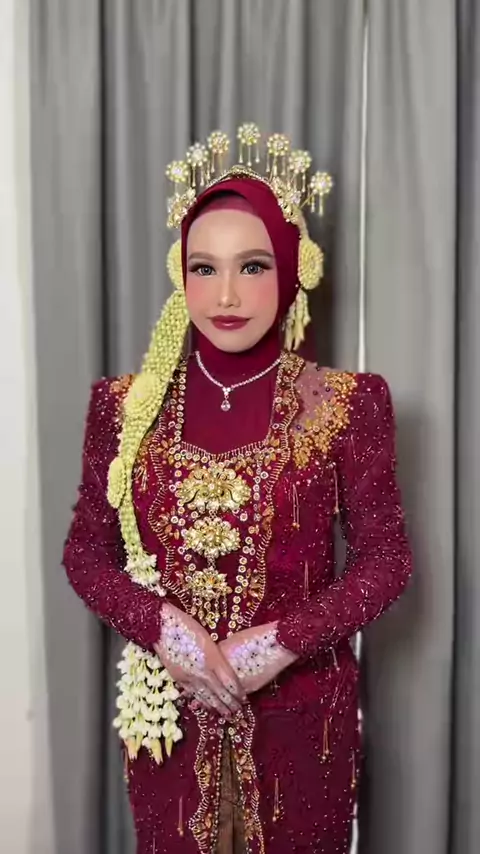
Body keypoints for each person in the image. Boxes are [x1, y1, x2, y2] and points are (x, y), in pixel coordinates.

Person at [63, 125, 412, 854]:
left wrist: (283, 643)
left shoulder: (345, 404)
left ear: (292, 270)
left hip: (303, 725)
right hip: (169, 726)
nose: (225, 294)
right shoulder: (126, 407)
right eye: (204, 268)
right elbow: (85, 553)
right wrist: (162, 627)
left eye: (252, 266)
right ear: (180, 275)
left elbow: (386, 561)